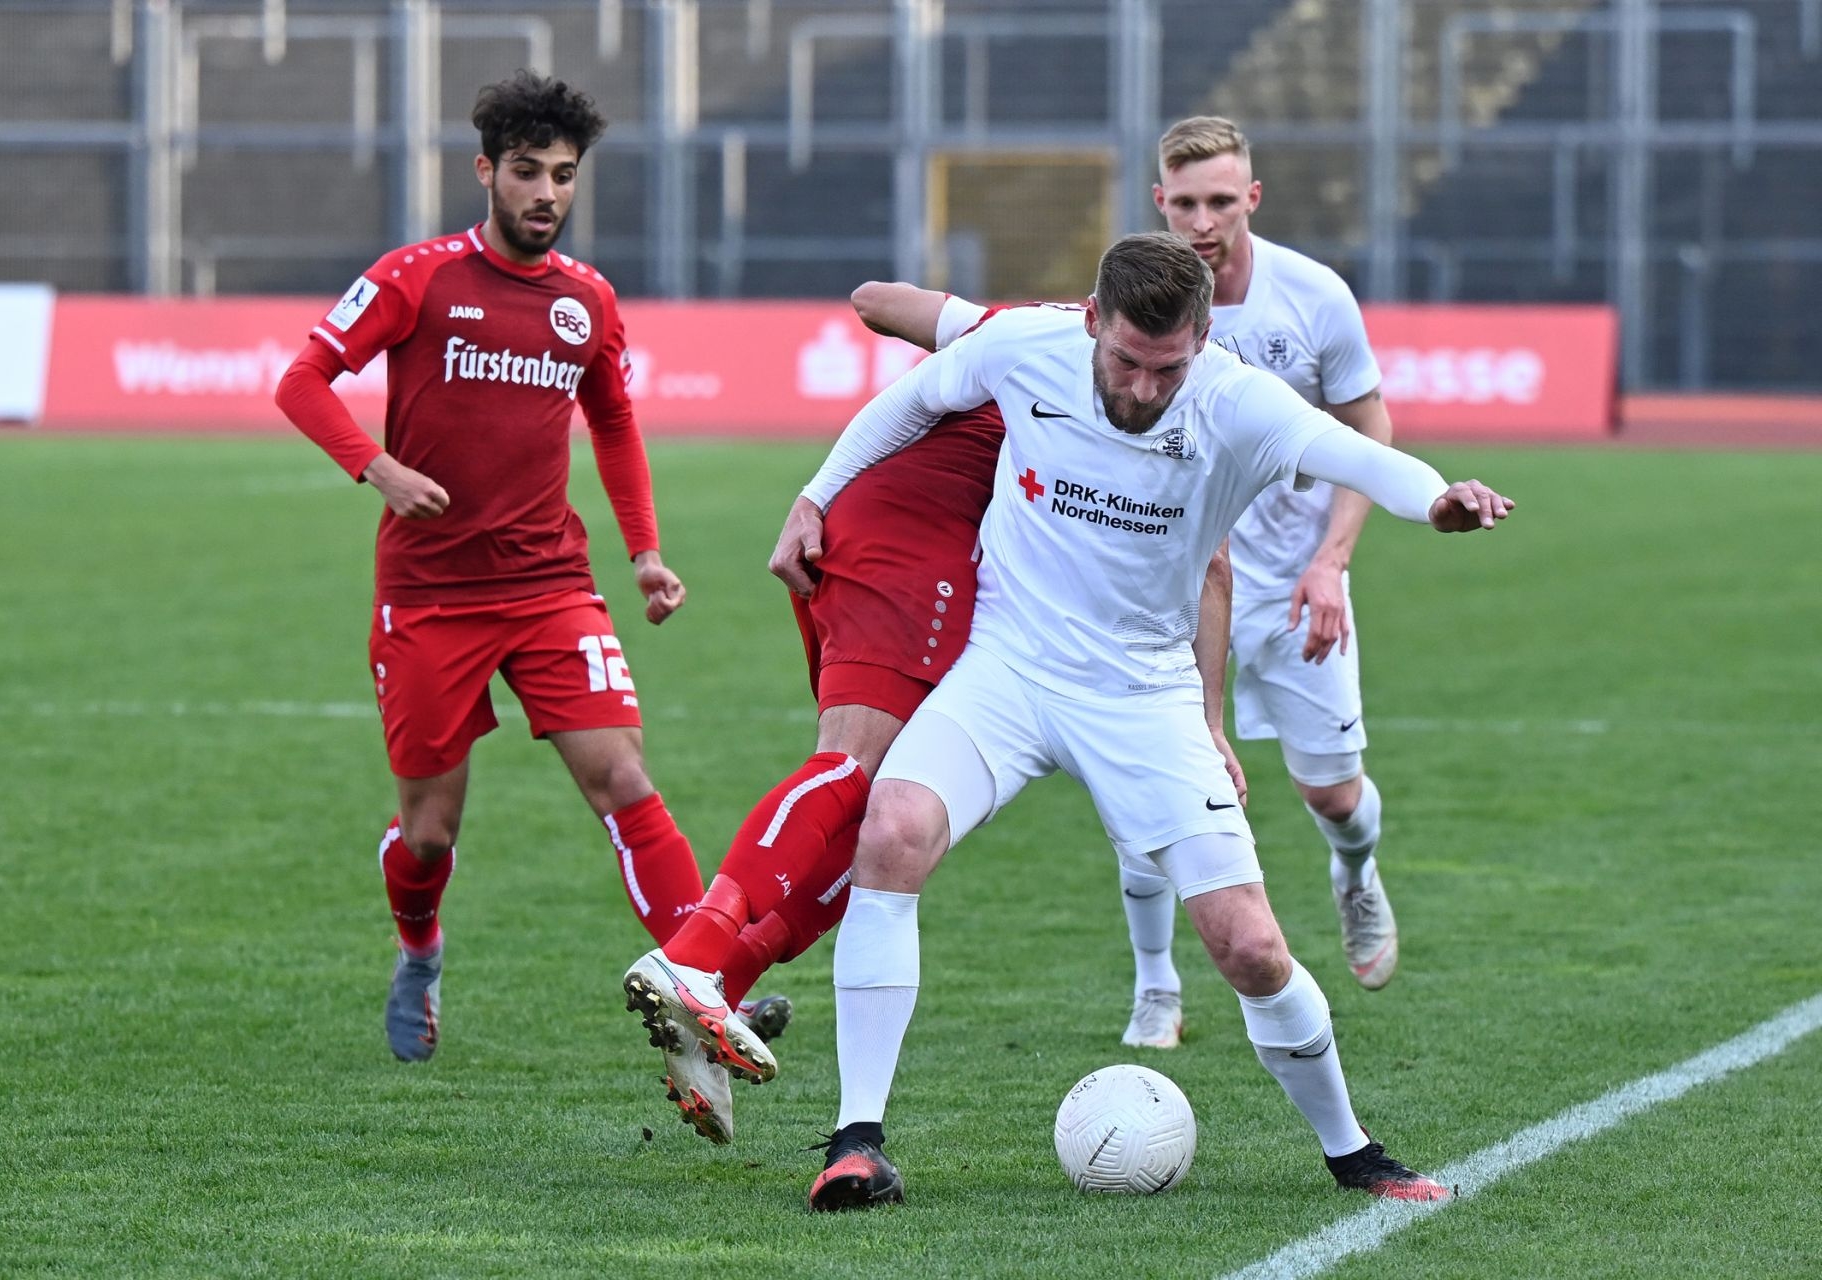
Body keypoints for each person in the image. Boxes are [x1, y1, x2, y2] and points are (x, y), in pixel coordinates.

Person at [777, 232, 1512, 1210]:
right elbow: (912, 400)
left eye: (1167, 368)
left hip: (1144, 693)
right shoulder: (1027, 346)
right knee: (892, 832)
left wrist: (1439, 500)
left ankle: (1355, 1153)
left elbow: (1358, 455)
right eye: (1126, 360)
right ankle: (856, 1142)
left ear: (1202, 340)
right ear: (1093, 320)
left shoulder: (1237, 401)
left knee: (1250, 946)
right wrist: (815, 496)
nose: (1142, 388)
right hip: (1007, 666)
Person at [621, 288, 1247, 1143]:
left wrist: (960, 322)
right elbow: (1211, 563)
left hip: (898, 539)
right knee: (854, 769)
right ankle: (694, 956)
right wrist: (1208, 720)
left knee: (879, 815)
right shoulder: (1056, 343)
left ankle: (717, 989)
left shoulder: (1034, 333)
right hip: (915, 541)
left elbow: (874, 300)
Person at [272, 71, 711, 1072]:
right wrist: (378, 468)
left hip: (552, 585)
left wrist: (644, 552)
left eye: (563, 174)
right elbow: (303, 380)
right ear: (485, 172)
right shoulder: (416, 278)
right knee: (429, 833)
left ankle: (704, 978)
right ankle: (420, 951)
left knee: (623, 776)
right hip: (431, 597)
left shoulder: (588, 299)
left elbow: (613, 421)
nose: (546, 193)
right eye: (526, 171)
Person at [1117, 118, 1406, 1027]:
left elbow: (1369, 428)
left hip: (1290, 587)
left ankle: (1355, 871)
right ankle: (1155, 985)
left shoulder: (1314, 297)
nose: (1203, 222)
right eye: (1185, 203)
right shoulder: (1138, 296)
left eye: (1220, 201)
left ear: (1252, 197)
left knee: (1333, 793)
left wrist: (1332, 560)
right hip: (1172, 588)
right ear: (1160, 200)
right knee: (1151, 789)